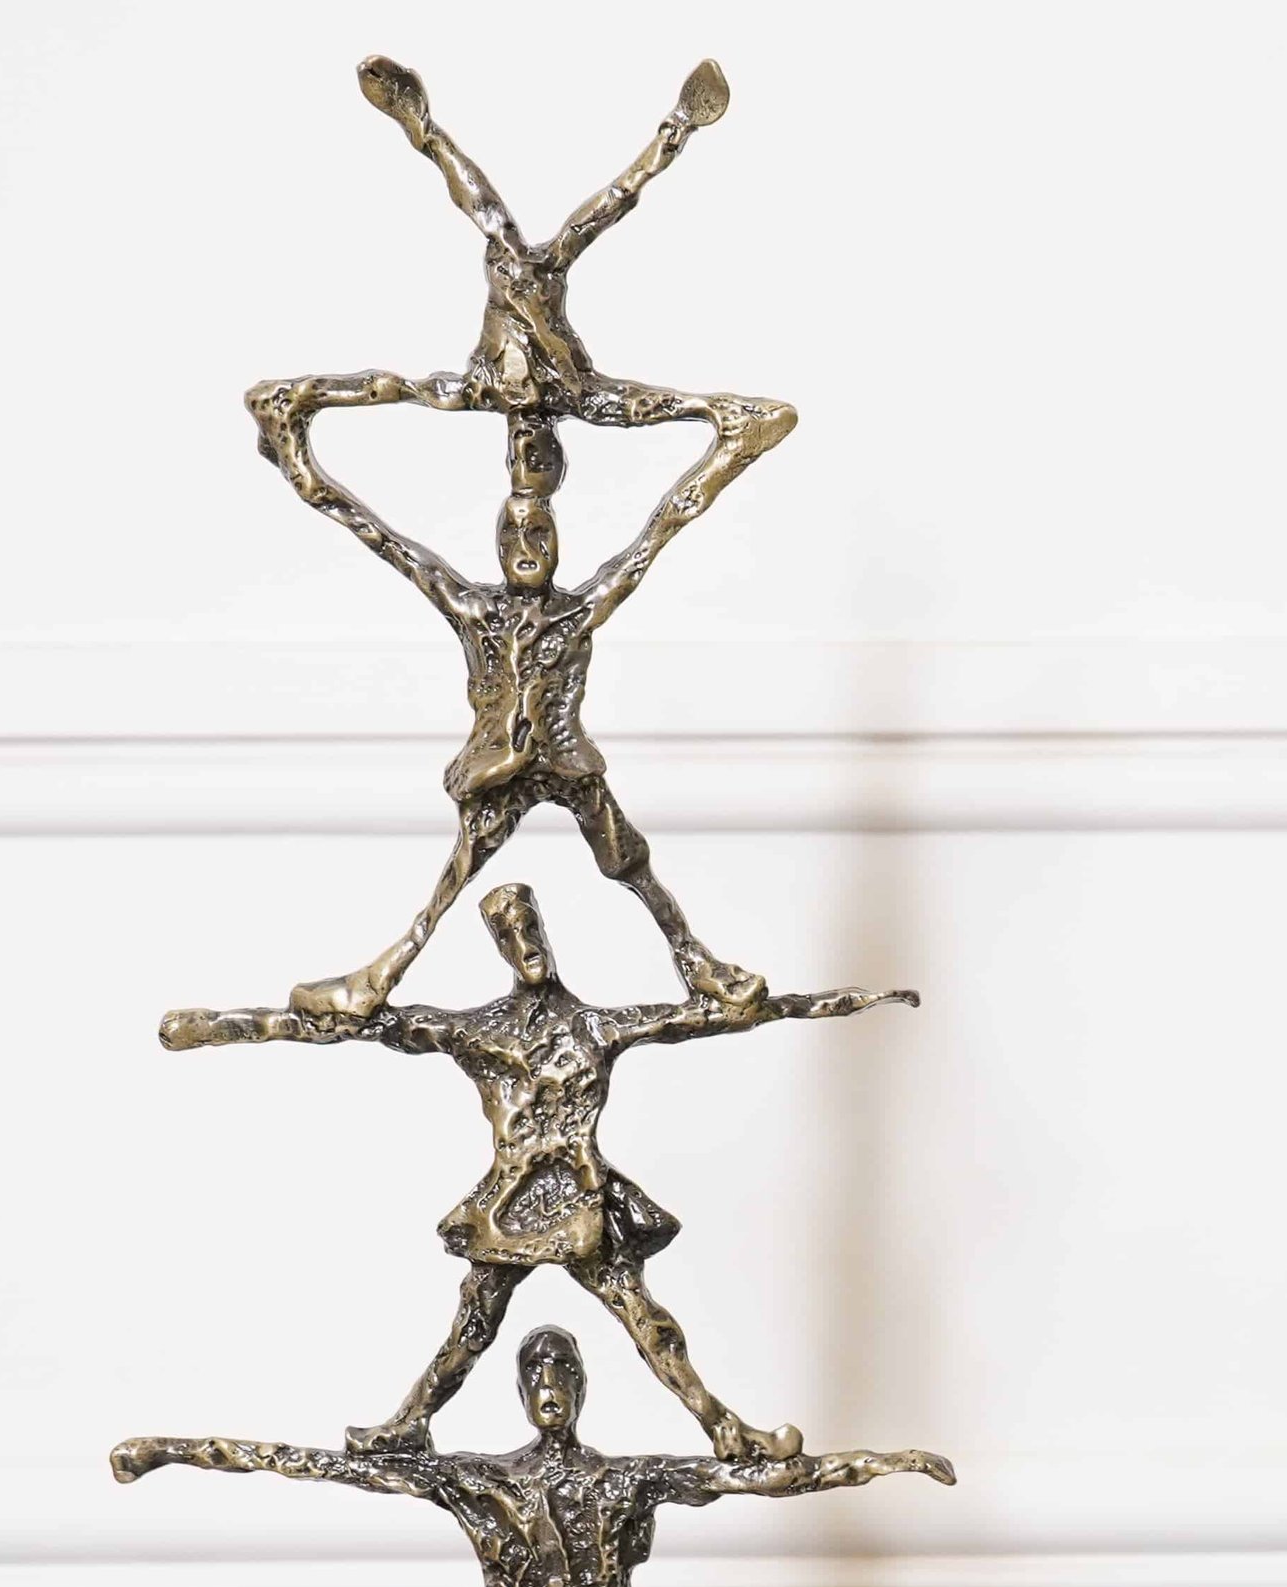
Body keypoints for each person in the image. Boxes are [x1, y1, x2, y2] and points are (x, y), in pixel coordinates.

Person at [242, 57, 799, 1020]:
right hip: (502, 762)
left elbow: (662, 526)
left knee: (628, 862)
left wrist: (728, 444)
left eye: (540, 524)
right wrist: (302, 462)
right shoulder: (473, 605)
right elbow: (383, 535)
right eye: (518, 526)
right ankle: (380, 978)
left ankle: (699, 965)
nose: (529, 537)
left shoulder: (578, 606)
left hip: (566, 758)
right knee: (459, 874)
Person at [160, 883, 918, 1461]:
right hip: (513, 1206)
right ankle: (410, 1422)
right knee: (473, 1327)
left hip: (582, 1202)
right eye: (509, 932)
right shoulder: (479, 1030)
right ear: (498, 945)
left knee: (646, 1323)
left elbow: (713, 1017)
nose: (525, 942)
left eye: (531, 927)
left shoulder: (596, 1026)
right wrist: (225, 1027)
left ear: (548, 936)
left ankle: (725, 1428)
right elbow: (368, 1027)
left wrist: (846, 1003)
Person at [112, 1324, 954, 1587]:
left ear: (581, 1387)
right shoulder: (480, 1481)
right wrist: (177, 1451)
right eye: (536, 1375)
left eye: (562, 1374)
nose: (549, 1387)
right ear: (519, 1392)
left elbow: (760, 1478)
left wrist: (888, 1463)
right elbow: (319, 1465)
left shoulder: (626, 1479)